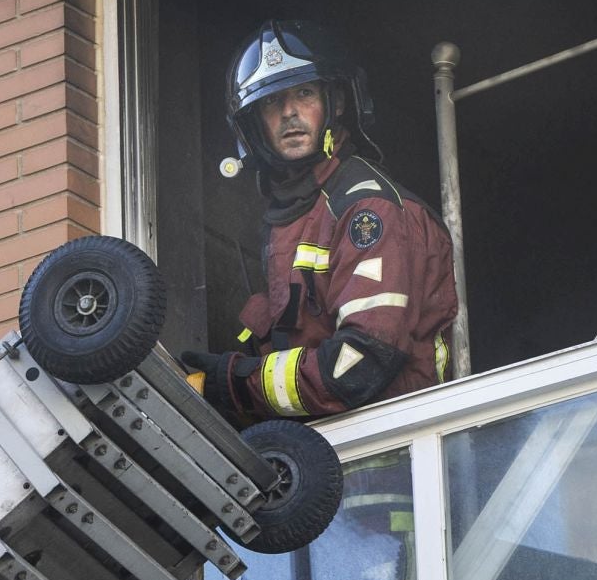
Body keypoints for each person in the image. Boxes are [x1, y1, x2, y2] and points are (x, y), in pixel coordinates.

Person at [182, 21, 458, 422]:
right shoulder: (289, 221)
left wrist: (235, 384)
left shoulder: (368, 210)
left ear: (338, 103)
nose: (289, 112)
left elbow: (359, 365)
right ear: (254, 122)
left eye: (305, 93)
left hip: (391, 451)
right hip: (317, 452)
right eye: (272, 101)